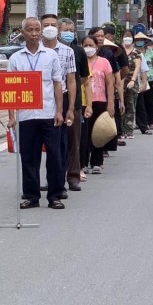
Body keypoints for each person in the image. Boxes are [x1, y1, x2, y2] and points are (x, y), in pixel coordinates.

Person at [7, 17, 65, 209]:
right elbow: (10, 89)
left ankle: (55, 195)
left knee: (55, 156)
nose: (34, 33)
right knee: (29, 157)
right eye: (30, 30)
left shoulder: (50, 56)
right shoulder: (16, 58)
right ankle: (31, 196)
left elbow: (58, 83)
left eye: (36, 29)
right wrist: (11, 117)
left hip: (48, 113)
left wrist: (59, 111)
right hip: (26, 116)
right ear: (23, 33)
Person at [41, 15, 76, 195]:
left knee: (59, 147)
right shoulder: (33, 50)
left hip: (59, 102)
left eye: (53, 25)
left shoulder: (67, 51)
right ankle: (38, 185)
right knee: (36, 147)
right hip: (38, 102)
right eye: (46, 25)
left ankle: (58, 185)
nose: (49, 28)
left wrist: (69, 108)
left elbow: (71, 81)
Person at [59, 18, 89, 190]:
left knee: (73, 141)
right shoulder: (48, 51)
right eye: (65, 29)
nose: (69, 32)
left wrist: (73, 89)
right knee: (55, 142)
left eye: (71, 29)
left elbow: (83, 77)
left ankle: (73, 176)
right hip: (53, 103)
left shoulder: (78, 51)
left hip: (74, 102)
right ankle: (55, 176)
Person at [82, 34, 115, 176]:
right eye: (85, 45)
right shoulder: (80, 61)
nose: (88, 48)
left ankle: (96, 162)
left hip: (100, 101)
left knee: (98, 132)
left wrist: (111, 103)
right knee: (84, 135)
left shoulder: (104, 62)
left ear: (97, 47)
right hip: (83, 102)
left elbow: (110, 84)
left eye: (91, 45)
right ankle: (82, 163)